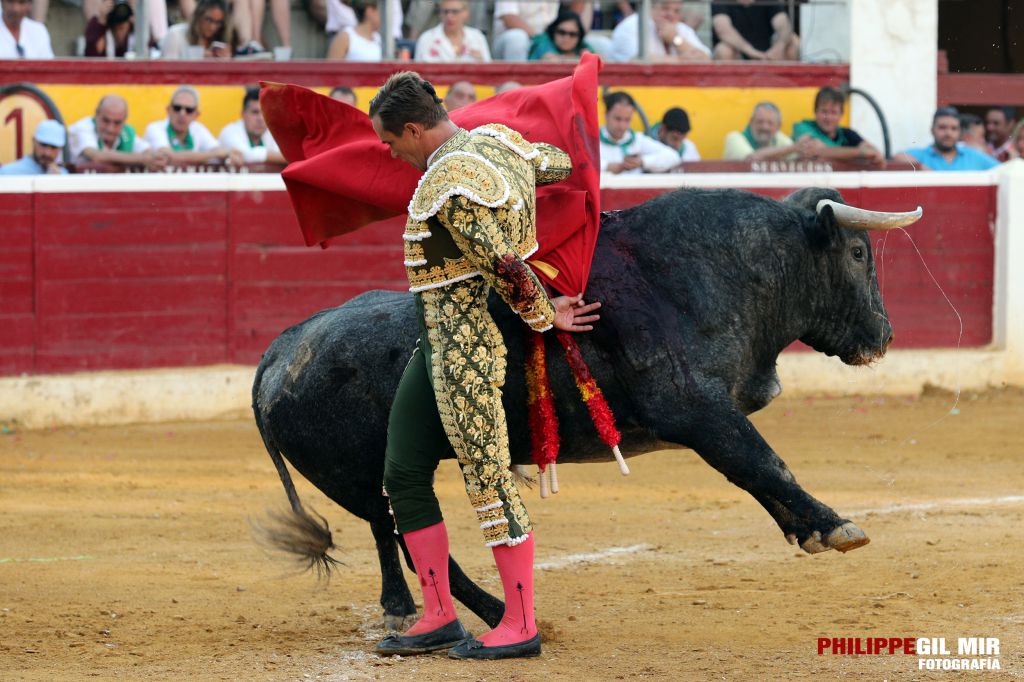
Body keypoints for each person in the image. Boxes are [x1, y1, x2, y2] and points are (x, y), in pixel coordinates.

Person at [365, 70, 600, 661]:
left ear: (415, 129)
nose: (391, 152)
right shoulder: (496, 140)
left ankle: (520, 623)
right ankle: (440, 614)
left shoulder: (452, 182)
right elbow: (558, 164)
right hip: (435, 342)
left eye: (392, 142)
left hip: (466, 344)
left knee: (489, 477)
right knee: (402, 469)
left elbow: (501, 261)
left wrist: (547, 315)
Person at [143, 86, 243, 165]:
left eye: (189, 110)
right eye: (177, 108)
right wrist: (216, 154)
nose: (182, 114)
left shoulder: (198, 129)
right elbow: (171, 157)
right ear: (168, 110)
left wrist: (228, 154)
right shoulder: (155, 128)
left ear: (196, 115)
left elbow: (219, 149)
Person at [68, 94, 170, 171]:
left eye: (117, 123)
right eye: (106, 121)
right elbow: (97, 156)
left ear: (124, 121)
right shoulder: (84, 128)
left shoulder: (125, 135)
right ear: (96, 114)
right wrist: (143, 159)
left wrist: (156, 158)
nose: (110, 128)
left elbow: (146, 150)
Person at [791, 87, 883, 165]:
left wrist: (868, 152)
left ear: (841, 115)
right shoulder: (803, 127)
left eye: (833, 112)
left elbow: (875, 153)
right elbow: (815, 151)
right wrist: (862, 153)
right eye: (824, 111)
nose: (828, 118)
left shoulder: (848, 133)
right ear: (816, 112)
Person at [891, 107, 999, 172]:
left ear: (960, 132)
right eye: (942, 127)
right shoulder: (923, 155)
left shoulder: (973, 155)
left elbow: (1003, 170)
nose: (948, 133)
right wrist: (922, 168)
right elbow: (897, 156)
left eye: (953, 128)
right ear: (932, 130)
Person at [599, 91, 679, 174]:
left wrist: (642, 161)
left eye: (627, 120)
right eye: (617, 119)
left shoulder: (637, 140)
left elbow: (673, 157)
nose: (622, 126)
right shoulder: (592, 140)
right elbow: (585, 165)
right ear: (606, 115)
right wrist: (606, 167)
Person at [610, 0, 710, 63]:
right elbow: (635, 62)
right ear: (650, 8)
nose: (670, 14)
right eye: (665, 8)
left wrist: (676, 40)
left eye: (676, 11)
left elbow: (707, 60)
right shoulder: (631, 25)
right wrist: (683, 60)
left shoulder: (681, 28)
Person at [723, 101, 816, 161]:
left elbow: (796, 158)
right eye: (760, 122)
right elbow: (751, 159)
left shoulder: (779, 138)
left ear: (778, 126)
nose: (765, 127)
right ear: (751, 121)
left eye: (770, 123)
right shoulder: (734, 137)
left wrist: (806, 151)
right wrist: (793, 148)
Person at [711, 0, 799, 61]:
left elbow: (783, 25)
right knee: (724, 50)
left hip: (768, 54)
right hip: (739, 54)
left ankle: (789, 86)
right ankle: (729, 87)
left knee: (792, 41)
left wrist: (778, 47)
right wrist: (752, 52)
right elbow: (723, 30)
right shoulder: (721, 1)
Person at [218, 86, 285, 164]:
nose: (261, 119)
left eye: (265, 113)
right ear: (243, 114)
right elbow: (244, 155)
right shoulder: (229, 131)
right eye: (255, 112)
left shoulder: (271, 132)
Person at [414, 0, 489, 63]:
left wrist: (481, 61)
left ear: (466, 13)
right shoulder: (426, 38)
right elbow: (419, 75)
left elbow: (489, 71)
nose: (449, 16)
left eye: (455, 11)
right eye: (445, 12)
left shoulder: (477, 37)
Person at [161, 0, 232, 59]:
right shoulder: (175, 35)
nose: (212, 27)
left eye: (218, 22)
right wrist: (199, 60)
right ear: (198, 16)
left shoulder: (220, 43)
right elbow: (168, 71)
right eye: (209, 20)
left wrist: (225, 62)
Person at [492, 0, 560, 61]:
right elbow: (509, 18)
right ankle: (516, 73)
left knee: (566, 36)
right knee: (517, 38)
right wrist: (537, 39)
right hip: (513, 43)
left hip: (548, 40)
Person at [0, 119, 66, 175]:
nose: (47, 153)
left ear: (60, 149)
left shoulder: (64, 175)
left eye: (53, 147)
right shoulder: (8, 173)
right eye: (43, 145)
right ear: (34, 141)